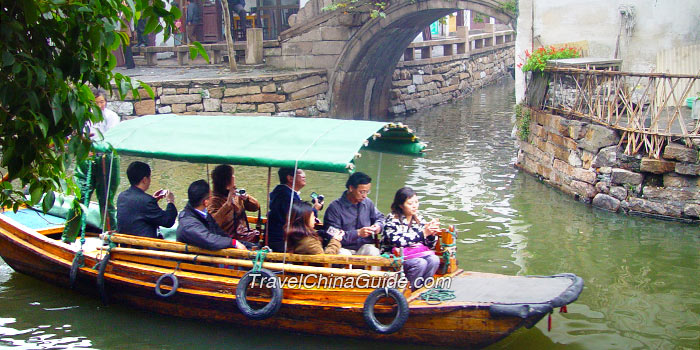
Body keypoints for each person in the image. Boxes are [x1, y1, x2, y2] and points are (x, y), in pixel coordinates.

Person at [381, 187, 441, 291]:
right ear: (401, 205)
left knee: (434, 260)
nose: (415, 206)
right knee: (420, 263)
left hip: (415, 253)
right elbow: (397, 241)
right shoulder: (392, 219)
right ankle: (409, 290)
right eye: (410, 203)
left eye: (416, 202)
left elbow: (429, 245)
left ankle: (423, 289)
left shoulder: (418, 218)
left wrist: (431, 234)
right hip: (394, 256)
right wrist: (423, 234)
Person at [323, 172, 383, 257]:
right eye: (362, 192)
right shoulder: (334, 208)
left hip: (363, 246)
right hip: (342, 247)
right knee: (343, 255)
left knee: (373, 251)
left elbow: (380, 218)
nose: (365, 196)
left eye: (367, 192)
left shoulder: (368, 203)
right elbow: (332, 235)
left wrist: (378, 226)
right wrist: (357, 233)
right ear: (351, 188)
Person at [177, 179, 248, 250]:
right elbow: (208, 239)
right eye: (211, 197)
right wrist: (233, 243)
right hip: (196, 259)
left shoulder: (203, 213)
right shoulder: (188, 223)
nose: (212, 198)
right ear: (206, 202)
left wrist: (233, 244)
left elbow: (219, 232)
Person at [267, 167, 323, 252]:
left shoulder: (282, 192)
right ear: (290, 178)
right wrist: (315, 210)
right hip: (283, 241)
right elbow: (298, 219)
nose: (304, 175)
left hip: (280, 238)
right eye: (300, 173)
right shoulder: (286, 196)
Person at [116, 161, 177, 238]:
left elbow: (137, 209)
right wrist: (170, 202)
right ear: (144, 180)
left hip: (124, 244)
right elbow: (168, 221)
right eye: (149, 177)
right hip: (143, 247)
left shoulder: (122, 196)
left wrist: (153, 200)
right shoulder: (147, 201)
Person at [208, 164, 261, 243]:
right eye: (232, 175)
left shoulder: (236, 195)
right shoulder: (213, 201)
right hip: (228, 240)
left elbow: (256, 207)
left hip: (243, 235)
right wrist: (227, 204)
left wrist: (247, 198)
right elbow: (213, 223)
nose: (234, 177)